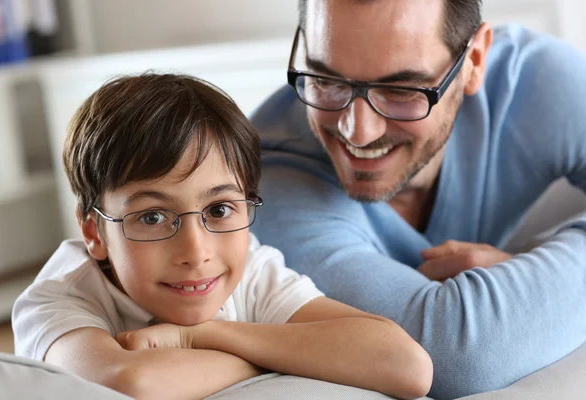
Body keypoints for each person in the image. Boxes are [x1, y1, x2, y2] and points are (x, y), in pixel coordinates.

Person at [12, 74, 432, 400]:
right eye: (153, 216)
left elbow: (407, 364)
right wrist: (286, 358)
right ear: (94, 231)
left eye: (218, 210)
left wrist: (199, 337)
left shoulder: (250, 267)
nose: (196, 252)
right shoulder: (58, 298)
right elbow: (130, 385)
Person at [250, 0, 586, 398]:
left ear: (474, 61)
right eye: (327, 81)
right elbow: (457, 355)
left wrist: (534, 262)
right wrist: (542, 271)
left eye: (400, 89)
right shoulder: (265, 188)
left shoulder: (533, 81)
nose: (358, 132)